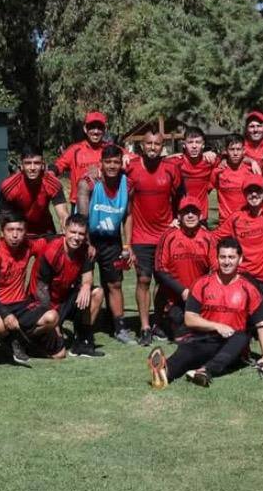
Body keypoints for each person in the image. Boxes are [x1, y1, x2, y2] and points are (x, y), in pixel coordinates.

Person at [145, 237, 263, 389]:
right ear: (217, 258)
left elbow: (262, 324)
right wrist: (217, 326)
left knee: (242, 335)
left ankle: (205, 371)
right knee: (187, 350)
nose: (226, 262)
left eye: (231, 257)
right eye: (222, 257)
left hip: (233, 345)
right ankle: (164, 372)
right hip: (205, 339)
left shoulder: (249, 288)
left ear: (240, 259)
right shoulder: (202, 284)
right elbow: (190, 319)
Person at [123, 127, 181, 346]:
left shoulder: (171, 169)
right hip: (140, 236)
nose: (153, 148)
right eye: (149, 144)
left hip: (165, 236)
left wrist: (177, 219)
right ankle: (145, 327)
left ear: (162, 146)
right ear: (142, 145)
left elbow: (181, 196)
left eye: (157, 144)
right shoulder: (132, 168)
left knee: (163, 282)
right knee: (143, 279)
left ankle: (157, 322)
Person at [0, 213, 62, 363]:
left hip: (21, 304)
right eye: (10, 230)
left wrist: (80, 242)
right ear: (2, 231)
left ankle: (21, 341)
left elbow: (49, 239)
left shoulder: (27, 245)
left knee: (52, 317)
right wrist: (5, 314)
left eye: (19, 230)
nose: (15, 235)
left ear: (25, 231)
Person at [77, 144, 132, 344]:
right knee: (86, 283)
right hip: (88, 239)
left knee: (115, 283)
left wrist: (127, 245)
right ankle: (83, 328)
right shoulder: (89, 182)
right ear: (100, 163)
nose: (112, 166)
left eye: (116, 162)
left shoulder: (127, 184)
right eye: (107, 162)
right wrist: (88, 244)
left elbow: (128, 215)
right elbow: (82, 217)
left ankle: (119, 327)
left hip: (112, 241)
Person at [35, 214, 106, 357]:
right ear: (64, 230)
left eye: (81, 234)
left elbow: (87, 277)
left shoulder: (85, 250)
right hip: (44, 305)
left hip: (65, 299)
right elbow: (41, 291)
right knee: (58, 353)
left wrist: (86, 286)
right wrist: (54, 324)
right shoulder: (52, 252)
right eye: (73, 232)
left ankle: (82, 341)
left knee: (97, 293)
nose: (77, 237)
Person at [154, 197, 218, 340]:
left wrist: (200, 292)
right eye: (186, 212)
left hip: (201, 297)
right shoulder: (169, 236)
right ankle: (162, 322)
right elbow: (160, 269)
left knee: (207, 336)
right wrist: (182, 290)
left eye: (194, 212)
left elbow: (215, 269)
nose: (190, 216)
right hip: (175, 297)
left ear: (200, 216)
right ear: (179, 216)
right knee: (183, 335)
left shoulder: (208, 238)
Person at [218, 182, 263, 301]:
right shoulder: (236, 218)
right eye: (249, 191)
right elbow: (214, 238)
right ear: (244, 194)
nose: (253, 194)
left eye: (257, 190)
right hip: (244, 277)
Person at [0, 146, 70, 239]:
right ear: (21, 166)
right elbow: (4, 219)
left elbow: (63, 214)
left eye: (36, 163)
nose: (32, 168)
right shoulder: (9, 186)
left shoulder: (53, 183)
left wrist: (65, 228)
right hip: (19, 230)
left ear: (43, 165)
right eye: (28, 163)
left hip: (45, 229)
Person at [54, 110, 111, 195]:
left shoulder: (111, 149)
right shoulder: (74, 150)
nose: (96, 131)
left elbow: (133, 159)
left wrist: (126, 158)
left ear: (105, 129)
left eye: (99, 127)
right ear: (85, 129)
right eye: (92, 127)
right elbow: (58, 166)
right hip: (78, 202)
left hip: (103, 202)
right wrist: (51, 172)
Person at [210, 134, 263, 225]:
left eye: (238, 149)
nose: (235, 153)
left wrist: (252, 161)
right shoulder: (218, 171)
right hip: (225, 223)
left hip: (247, 222)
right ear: (226, 151)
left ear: (244, 151)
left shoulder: (252, 170)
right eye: (232, 149)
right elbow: (204, 190)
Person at [164, 126, 215, 215]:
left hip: (201, 216)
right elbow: (155, 162)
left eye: (198, 142)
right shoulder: (175, 162)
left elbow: (232, 158)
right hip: (180, 216)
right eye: (190, 142)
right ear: (184, 144)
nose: (194, 146)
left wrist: (214, 154)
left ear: (203, 144)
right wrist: (169, 157)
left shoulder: (210, 161)